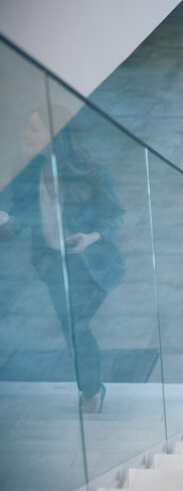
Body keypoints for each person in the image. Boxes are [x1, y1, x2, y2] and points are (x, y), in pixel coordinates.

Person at [0, 105, 126, 414]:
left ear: (56, 134)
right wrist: (6, 221)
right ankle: (92, 388)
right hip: (52, 265)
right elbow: (22, 220)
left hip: (91, 265)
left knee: (77, 327)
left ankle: (91, 391)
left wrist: (90, 236)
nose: (24, 134)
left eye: (33, 129)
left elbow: (115, 215)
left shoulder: (92, 171)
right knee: (70, 327)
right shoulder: (27, 170)